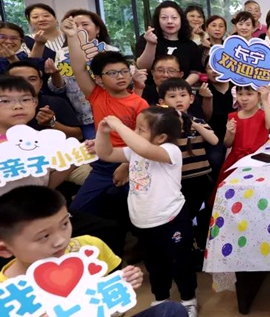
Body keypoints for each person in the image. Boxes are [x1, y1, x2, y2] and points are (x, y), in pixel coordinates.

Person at [0, 186, 188, 317]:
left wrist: (121, 290)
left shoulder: (88, 248)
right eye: (44, 236)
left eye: (65, 224)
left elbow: (115, 312)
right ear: (5, 249)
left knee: (171, 311)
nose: (60, 240)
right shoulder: (7, 294)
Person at [0, 76, 125, 257]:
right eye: (5, 101)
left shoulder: (39, 141)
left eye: (25, 99)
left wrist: (76, 158)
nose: (18, 106)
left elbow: (47, 185)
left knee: (107, 230)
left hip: (41, 212)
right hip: (8, 222)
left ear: (35, 103)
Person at [95, 107, 199, 316]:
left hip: (171, 218)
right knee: (154, 264)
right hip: (143, 221)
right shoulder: (135, 150)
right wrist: (103, 132)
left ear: (161, 137)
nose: (135, 132)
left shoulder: (170, 150)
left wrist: (119, 126)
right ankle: (161, 298)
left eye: (140, 129)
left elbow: (143, 149)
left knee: (180, 261)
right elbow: (105, 153)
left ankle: (189, 299)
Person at [63, 16, 149, 216]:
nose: (120, 76)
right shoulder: (96, 95)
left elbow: (144, 138)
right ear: (99, 79)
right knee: (78, 210)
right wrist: (72, 37)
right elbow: (78, 68)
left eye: (124, 71)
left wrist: (126, 165)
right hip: (102, 164)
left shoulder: (139, 103)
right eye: (112, 73)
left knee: (133, 208)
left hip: (131, 161)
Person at [157, 78, 218, 253]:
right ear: (162, 102)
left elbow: (214, 140)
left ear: (191, 99)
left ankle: (203, 246)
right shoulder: (162, 126)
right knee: (183, 214)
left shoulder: (198, 121)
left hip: (200, 178)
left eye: (183, 95)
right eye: (172, 96)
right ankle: (186, 245)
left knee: (202, 213)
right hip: (177, 180)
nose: (178, 100)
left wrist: (194, 124)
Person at [48, 10, 119, 139]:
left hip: (111, 111)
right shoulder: (62, 54)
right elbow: (58, 88)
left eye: (85, 24)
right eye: (74, 25)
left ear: (97, 29)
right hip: (81, 115)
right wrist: (55, 75)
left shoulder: (111, 52)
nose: (79, 28)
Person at [135, 1, 204, 87]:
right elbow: (142, 67)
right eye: (164, 18)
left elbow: (196, 72)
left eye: (174, 17)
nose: (169, 21)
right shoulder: (147, 38)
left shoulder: (191, 46)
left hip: (179, 92)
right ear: (158, 20)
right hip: (150, 90)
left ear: (181, 20)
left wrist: (181, 86)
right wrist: (151, 44)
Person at [7, 61, 82, 140]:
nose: (26, 84)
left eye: (32, 79)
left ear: (40, 84)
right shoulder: (2, 108)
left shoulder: (56, 103)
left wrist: (51, 123)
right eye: (18, 80)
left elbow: (78, 136)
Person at [221, 86, 270, 175]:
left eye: (249, 94)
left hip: (258, 160)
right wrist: (230, 132)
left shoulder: (264, 116)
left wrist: (265, 100)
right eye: (240, 94)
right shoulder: (232, 117)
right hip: (236, 161)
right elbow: (227, 144)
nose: (244, 99)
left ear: (259, 96)